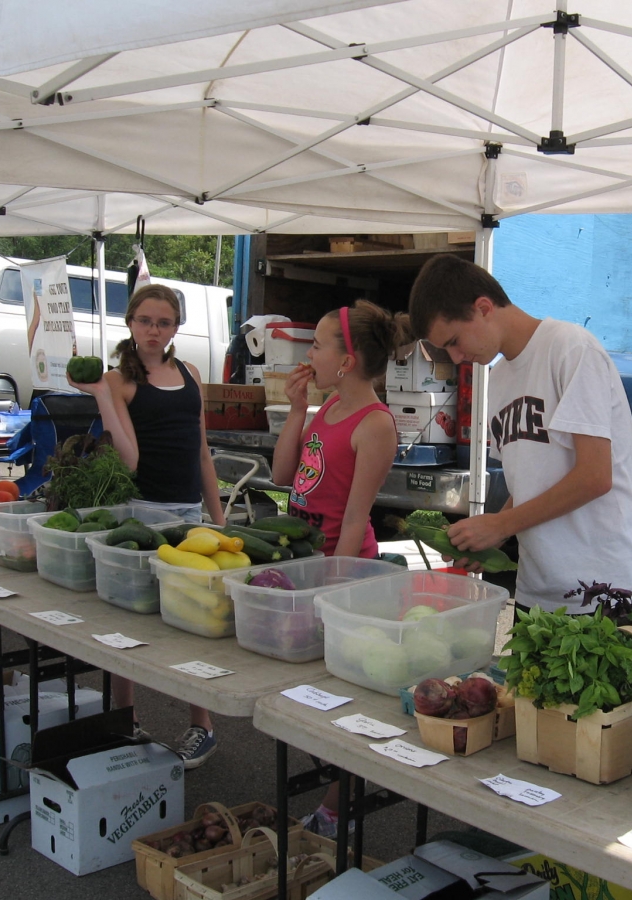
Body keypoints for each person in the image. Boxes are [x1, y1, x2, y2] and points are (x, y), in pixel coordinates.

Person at [408, 254, 632, 612]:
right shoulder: (497, 380)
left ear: (483, 308)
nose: (457, 355)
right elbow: (530, 483)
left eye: (454, 340)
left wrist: (500, 524)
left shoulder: (571, 348)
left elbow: (595, 476)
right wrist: (494, 538)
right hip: (538, 591)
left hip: (606, 588)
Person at [70, 283, 226, 768]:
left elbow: (202, 452)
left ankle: (203, 726)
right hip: (139, 514)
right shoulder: (118, 380)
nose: (154, 331)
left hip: (187, 516)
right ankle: (126, 718)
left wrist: (218, 520)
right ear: (130, 324)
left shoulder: (192, 374)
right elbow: (131, 461)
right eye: (145, 321)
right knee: (128, 619)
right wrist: (101, 395)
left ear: (176, 327)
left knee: (190, 621)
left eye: (163, 322)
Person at [271, 300, 407, 834]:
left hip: (341, 572)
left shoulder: (375, 424)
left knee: (343, 698)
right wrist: (298, 411)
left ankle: (335, 807)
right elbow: (284, 476)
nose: (310, 354)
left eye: (319, 345)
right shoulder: (326, 410)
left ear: (347, 360)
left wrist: (333, 591)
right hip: (305, 563)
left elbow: (355, 520)